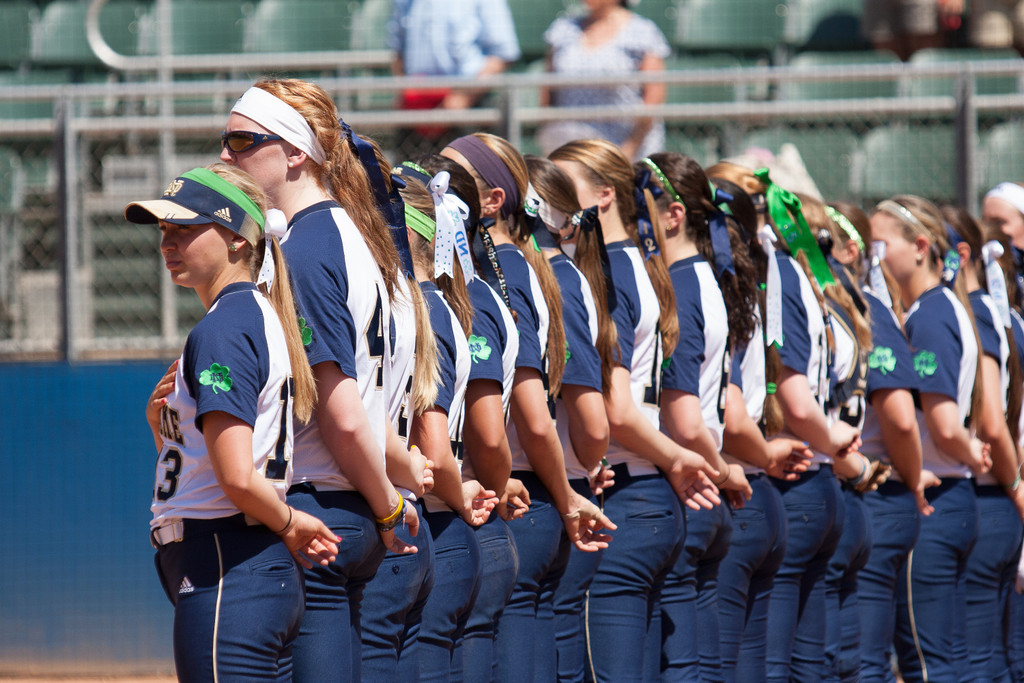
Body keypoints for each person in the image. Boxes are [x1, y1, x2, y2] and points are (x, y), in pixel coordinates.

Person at [220, 78, 424, 681]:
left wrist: (388, 507)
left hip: (325, 505)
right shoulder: (354, 236)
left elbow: (343, 414)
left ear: (295, 152)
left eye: (242, 141)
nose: (225, 154)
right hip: (356, 501)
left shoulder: (306, 247)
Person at [136, 163, 339, 681]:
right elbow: (218, 466)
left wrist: (290, 523)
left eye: (185, 228)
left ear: (236, 238)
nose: (168, 242)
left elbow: (236, 477)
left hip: (227, 561)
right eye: (164, 229)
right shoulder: (254, 314)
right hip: (242, 562)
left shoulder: (226, 325)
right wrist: (163, 427)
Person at [443, 132, 614, 683]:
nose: (437, 182)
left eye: (453, 175)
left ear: (493, 200)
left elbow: (533, 420)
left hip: (516, 497)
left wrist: (567, 495)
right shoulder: (510, 265)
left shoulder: (506, 270)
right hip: (526, 494)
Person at [550, 138, 720, 682]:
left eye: (565, 186)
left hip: (626, 492)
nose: (549, 200)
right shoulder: (636, 262)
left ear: (604, 196)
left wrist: (676, 459)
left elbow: (617, 411)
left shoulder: (611, 271)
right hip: (649, 493)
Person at [638, 153, 755, 681]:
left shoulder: (681, 285)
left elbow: (685, 420)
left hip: (692, 488)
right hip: (706, 490)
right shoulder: (705, 276)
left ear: (674, 215)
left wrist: (722, 470)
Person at [414, 153, 525, 681]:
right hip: (467, 509)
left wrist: (489, 489)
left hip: (452, 513)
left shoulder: (456, 301)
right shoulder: (475, 294)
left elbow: (487, 434)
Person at [871, 195, 991, 683]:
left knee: (927, 664)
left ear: (921, 247)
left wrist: (970, 452)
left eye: (880, 242)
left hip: (937, 497)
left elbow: (942, 423)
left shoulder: (930, 314)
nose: (872, 254)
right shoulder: (940, 307)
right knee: (950, 660)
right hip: (953, 495)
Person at [751, 171, 860, 683]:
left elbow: (795, 401)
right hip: (820, 483)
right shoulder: (809, 284)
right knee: (812, 665)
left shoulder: (780, 277)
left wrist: (833, 441)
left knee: (776, 666)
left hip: (792, 477)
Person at [396, 163, 499, 681]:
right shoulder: (441, 305)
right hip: (446, 522)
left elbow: (434, 455)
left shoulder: (426, 310)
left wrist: (460, 496)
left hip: (437, 523)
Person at [826, 201, 931, 683]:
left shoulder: (866, 307)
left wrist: (911, 478)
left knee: (863, 661)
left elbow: (901, 419)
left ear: (851, 250)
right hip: (865, 490)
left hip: (877, 492)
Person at [523, 155, 617, 682]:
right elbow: (593, 431)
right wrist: (589, 461)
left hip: (540, 495)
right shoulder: (557, 275)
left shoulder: (553, 277)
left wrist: (586, 460)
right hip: (553, 489)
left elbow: (592, 422)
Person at [943, 205, 1024, 681]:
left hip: (986, 495)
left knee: (975, 660)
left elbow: (994, 422)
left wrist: (1015, 488)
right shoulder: (1004, 314)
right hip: (998, 502)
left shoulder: (974, 312)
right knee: (1000, 656)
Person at [537, 0, 670, 161]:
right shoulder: (563, 29)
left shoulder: (643, 32)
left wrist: (629, 149)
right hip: (569, 149)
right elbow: (547, 91)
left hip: (624, 150)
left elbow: (653, 98)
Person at [387, 0, 520, 143]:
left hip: (469, 107)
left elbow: (503, 54)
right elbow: (397, 52)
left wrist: (463, 98)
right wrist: (406, 94)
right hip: (415, 110)